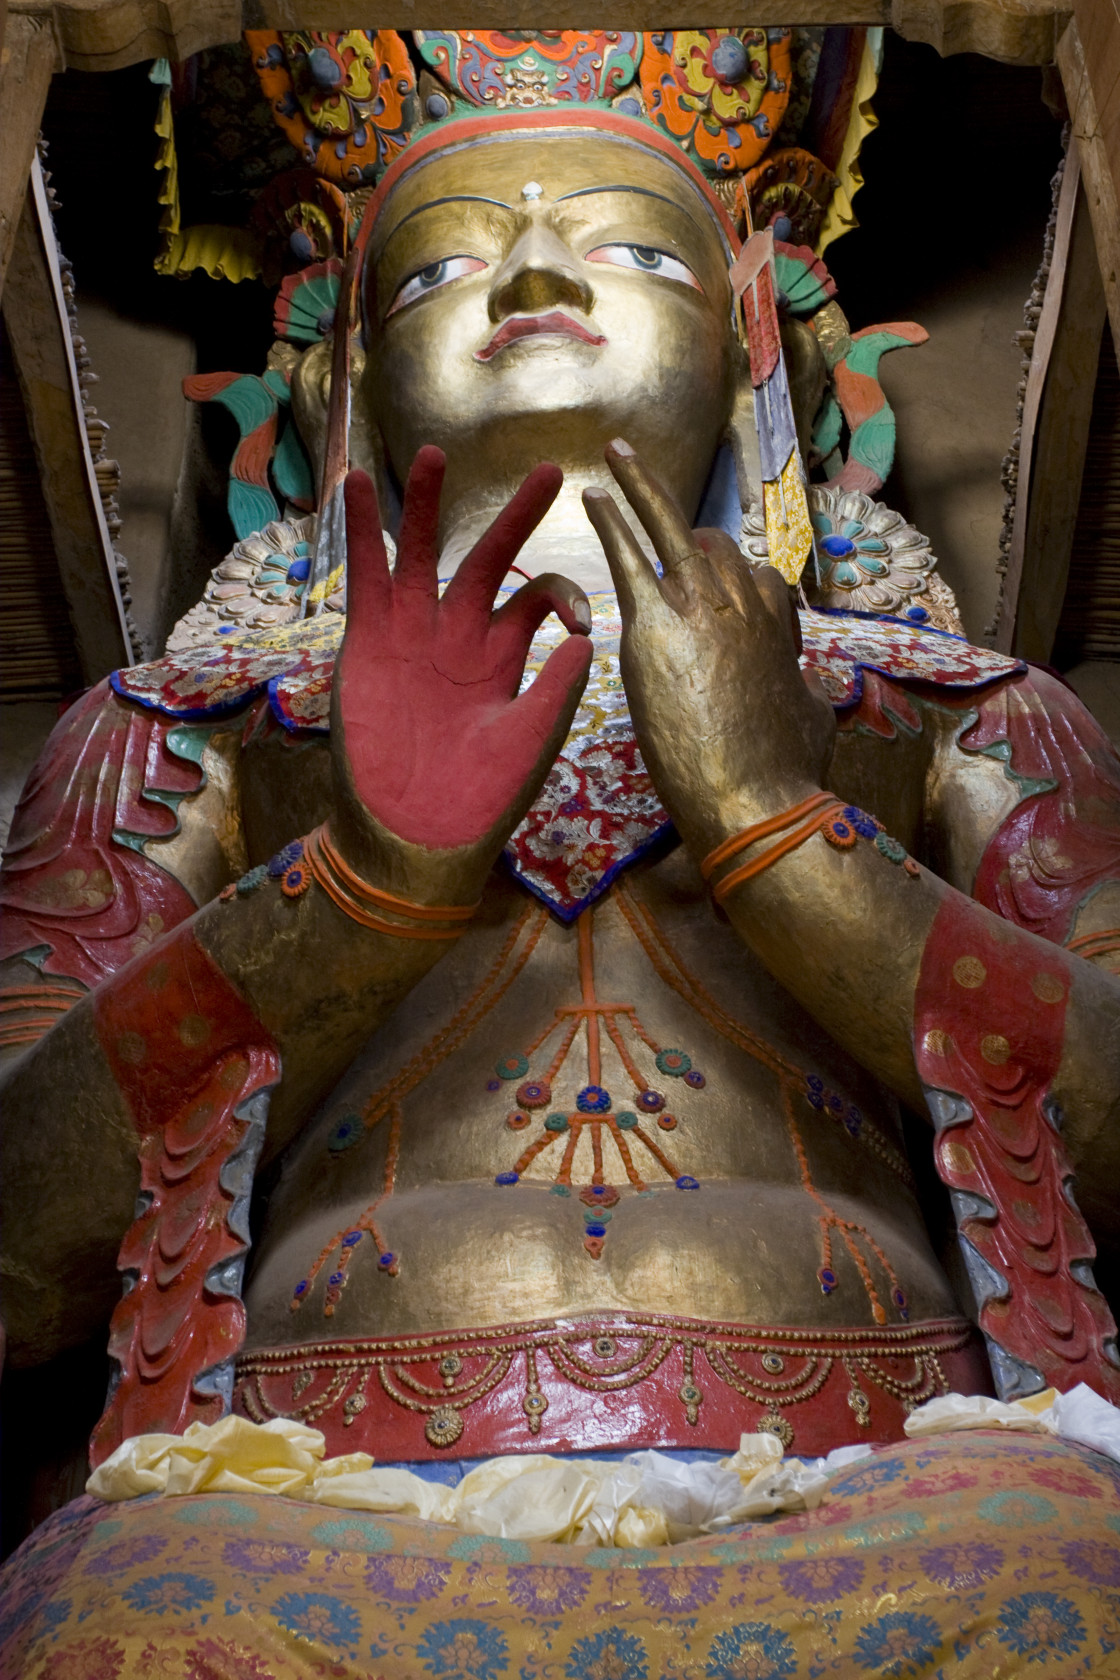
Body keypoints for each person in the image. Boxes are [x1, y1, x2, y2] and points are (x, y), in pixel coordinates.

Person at [1, 30, 1119, 1676]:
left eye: (633, 245)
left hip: (888, 1484)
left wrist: (775, 825)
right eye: (444, 260)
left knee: (1073, 1590)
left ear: (752, 355)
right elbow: (16, 1246)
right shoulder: (184, 729)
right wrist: (363, 888)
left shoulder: (957, 711)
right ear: (344, 376)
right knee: (120, 1622)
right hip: (299, 1498)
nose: (532, 270)